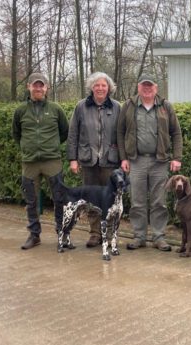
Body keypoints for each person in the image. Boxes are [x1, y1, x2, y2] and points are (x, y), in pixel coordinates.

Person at [117, 74, 182, 251]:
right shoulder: (128, 106)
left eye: (150, 86)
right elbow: (120, 133)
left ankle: (159, 237)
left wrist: (177, 157)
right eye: (144, 86)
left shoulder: (165, 106)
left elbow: (176, 133)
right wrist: (123, 157)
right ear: (138, 88)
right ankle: (139, 236)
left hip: (159, 161)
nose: (147, 89)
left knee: (159, 202)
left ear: (156, 88)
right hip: (135, 160)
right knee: (137, 201)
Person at [12, 72, 69, 250]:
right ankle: (34, 235)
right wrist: (29, 147)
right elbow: (16, 134)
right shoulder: (20, 110)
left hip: (52, 161)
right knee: (31, 201)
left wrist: (50, 147)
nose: (38, 88)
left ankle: (62, 233)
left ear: (47, 88)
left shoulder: (55, 109)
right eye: (35, 85)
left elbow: (64, 132)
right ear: (28, 86)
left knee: (59, 198)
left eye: (41, 85)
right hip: (30, 163)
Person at [67, 72, 121, 247]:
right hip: (88, 160)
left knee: (111, 200)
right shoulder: (81, 107)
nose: (100, 88)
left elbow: (122, 134)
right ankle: (95, 233)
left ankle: (110, 233)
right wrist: (72, 159)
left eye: (103, 85)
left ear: (109, 88)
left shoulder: (117, 107)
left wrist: (123, 159)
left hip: (110, 161)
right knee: (92, 199)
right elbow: (73, 134)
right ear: (91, 87)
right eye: (96, 85)